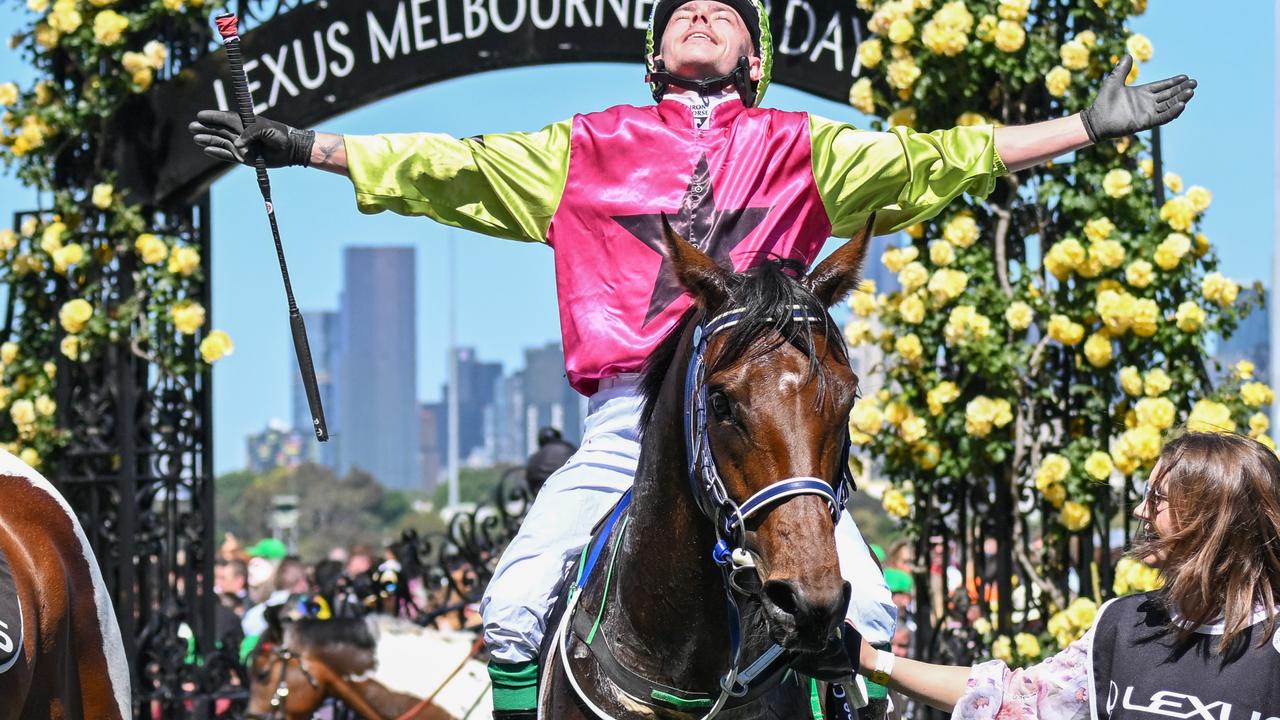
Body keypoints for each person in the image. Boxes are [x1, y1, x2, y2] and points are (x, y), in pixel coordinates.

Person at [189, 1, 1196, 714]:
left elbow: (938, 158)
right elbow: (448, 168)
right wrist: (302, 146)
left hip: (765, 417)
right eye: (682, 14)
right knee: (507, 600)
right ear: (655, 58)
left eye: (724, 13)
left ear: (754, 60)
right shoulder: (580, 146)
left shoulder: (809, 145)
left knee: (872, 605)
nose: (701, 16)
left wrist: (1083, 127)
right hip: (631, 413)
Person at [846, 432, 1280, 719]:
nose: (1139, 511)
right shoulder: (1122, 624)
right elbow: (1013, 697)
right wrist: (872, 661)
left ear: (1213, 518)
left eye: (1157, 498)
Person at [524, 427, 577, 497]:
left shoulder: (534, 457)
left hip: (544, 497)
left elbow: (530, 482)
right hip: (571, 493)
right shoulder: (571, 449)